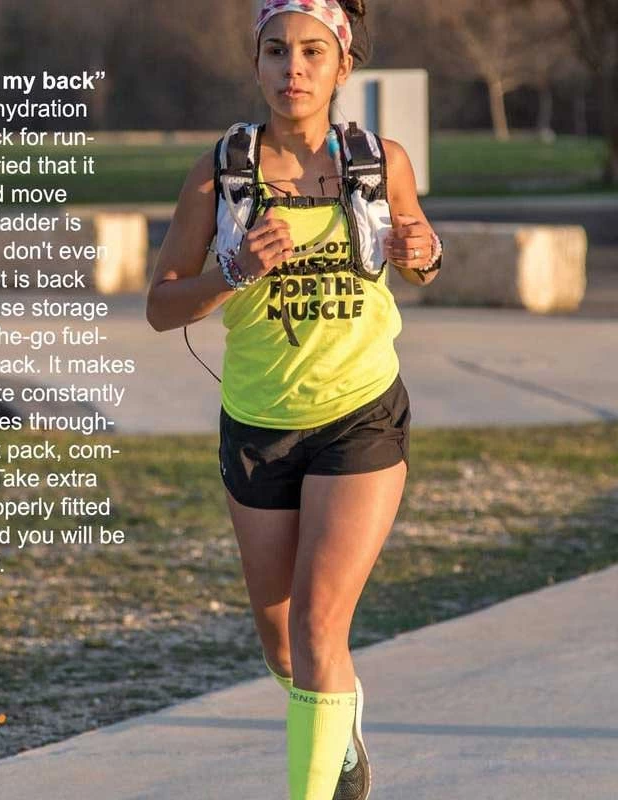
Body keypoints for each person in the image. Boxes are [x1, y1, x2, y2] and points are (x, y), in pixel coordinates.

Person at [146, 1, 442, 798]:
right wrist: (233, 271)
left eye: (312, 51)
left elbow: (418, 253)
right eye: (276, 51)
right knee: (285, 648)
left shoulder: (380, 162)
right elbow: (161, 305)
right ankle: (338, 725)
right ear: (256, 63)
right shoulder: (219, 175)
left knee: (317, 627)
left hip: (360, 415)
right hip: (258, 425)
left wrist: (424, 252)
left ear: (344, 64)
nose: (294, 68)